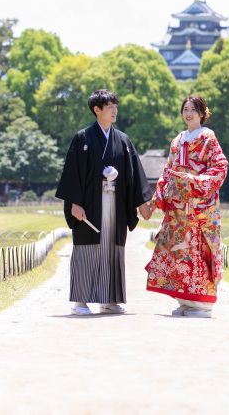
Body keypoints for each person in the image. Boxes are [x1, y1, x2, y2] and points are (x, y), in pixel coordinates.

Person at [55, 89, 153, 315]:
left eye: (115, 107)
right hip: (89, 204)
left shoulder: (123, 140)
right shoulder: (82, 138)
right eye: (110, 107)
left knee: (112, 249)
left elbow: (134, 174)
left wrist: (142, 204)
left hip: (116, 205)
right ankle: (81, 300)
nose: (115, 111)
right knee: (87, 249)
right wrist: (74, 203)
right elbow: (72, 173)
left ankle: (109, 299)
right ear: (97, 110)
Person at [144, 95, 228, 318]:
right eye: (185, 109)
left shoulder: (208, 137)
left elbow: (220, 166)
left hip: (198, 207)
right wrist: (157, 198)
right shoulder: (178, 139)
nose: (188, 113)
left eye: (193, 109)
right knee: (178, 251)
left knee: (197, 249)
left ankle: (202, 304)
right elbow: (167, 171)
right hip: (177, 208)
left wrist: (196, 180)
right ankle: (185, 300)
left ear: (202, 113)